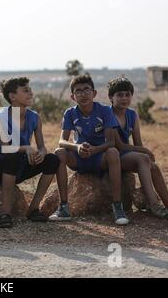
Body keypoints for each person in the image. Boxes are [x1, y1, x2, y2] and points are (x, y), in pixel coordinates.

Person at [108, 76, 168, 218]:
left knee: (153, 166)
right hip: (112, 156)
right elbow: (119, 145)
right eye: (120, 95)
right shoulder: (108, 114)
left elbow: (138, 142)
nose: (124, 98)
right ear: (111, 97)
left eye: (127, 95)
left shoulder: (132, 115)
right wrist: (145, 151)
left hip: (126, 155)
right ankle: (154, 205)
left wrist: (145, 155)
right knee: (143, 157)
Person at [54, 74, 129, 225]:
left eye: (87, 90)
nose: (83, 94)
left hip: (99, 157)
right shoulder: (70, 113)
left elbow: (111, 141)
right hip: (79, 157)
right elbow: (62, 141)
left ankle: (117, 206)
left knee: (113, 152)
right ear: (73, 96)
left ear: (94, 93)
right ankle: (63, 207)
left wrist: (95, 150)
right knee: (59, 153)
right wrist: (77, 147)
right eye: (78, 91)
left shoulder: (104, 111)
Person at [0, 77, 61, 228]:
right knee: (12, 155)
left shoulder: (35, 117)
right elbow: (5, 148)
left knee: (52, 160)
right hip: (0, 168)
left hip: (20, 165)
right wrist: (26, 148)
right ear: (12, 96)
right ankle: (5, 213)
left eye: (30, 89)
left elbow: (42, 146)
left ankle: (33, 209)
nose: (31, 93)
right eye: (25, 90)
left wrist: (41, 153)